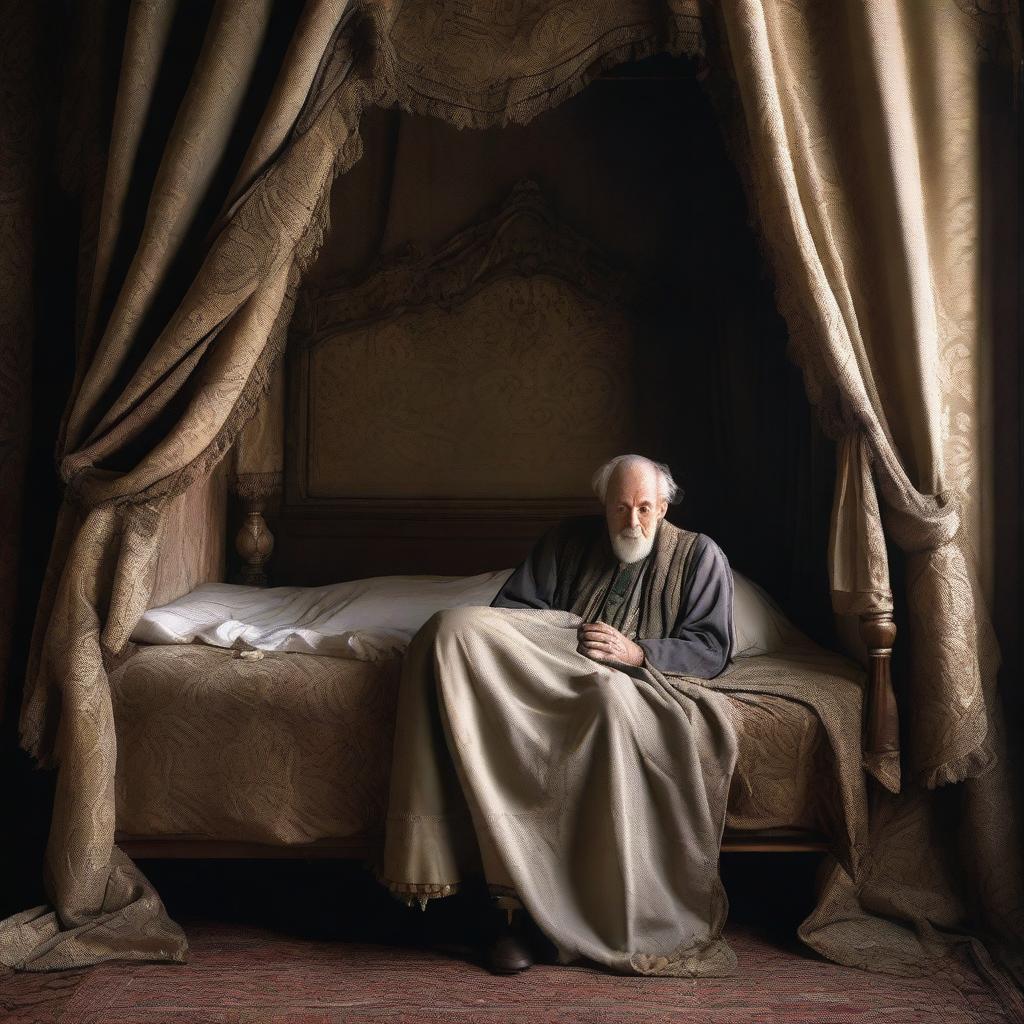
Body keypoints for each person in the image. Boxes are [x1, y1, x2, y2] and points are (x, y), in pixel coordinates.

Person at [380, 454, 738, 976]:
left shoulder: (700, 557)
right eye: (620, 508)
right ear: (603, 506)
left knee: (606, 705)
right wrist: (563, 641)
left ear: (663, 507)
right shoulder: (566, 542)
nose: (631, 522)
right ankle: (490, 903)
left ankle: (544, 920)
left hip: (632, 682)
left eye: (643, 508)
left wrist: (638, 654)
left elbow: (711, 648)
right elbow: (509, 620)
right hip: (551, 672)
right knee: (452, 627)